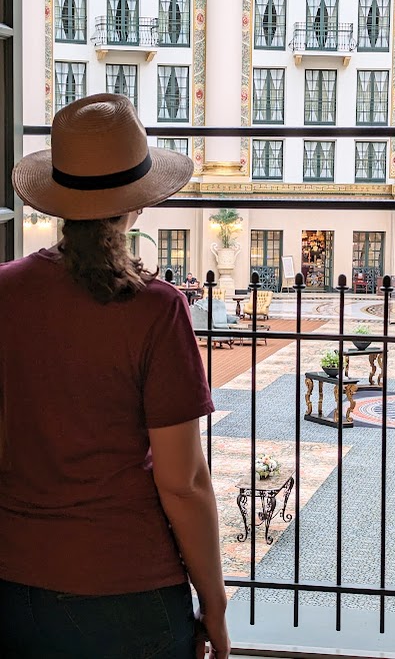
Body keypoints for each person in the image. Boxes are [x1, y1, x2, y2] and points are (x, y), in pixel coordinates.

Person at [0, 94, 230, 659]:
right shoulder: (155, 308)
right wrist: (215, 602)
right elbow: (183, 482)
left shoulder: (4, 291)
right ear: (137, 206)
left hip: (11, 581)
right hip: (126, 590)